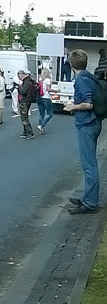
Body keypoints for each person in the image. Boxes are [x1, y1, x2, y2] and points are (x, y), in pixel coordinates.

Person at [64, 50, 102, 214]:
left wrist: (73, 106)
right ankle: (88, 197)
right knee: (89, 164)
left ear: (71, 64)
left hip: (87, 124)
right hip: (93, 123)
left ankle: (90, 203)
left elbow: (88, 104)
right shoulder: (88, 76)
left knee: (89, 166)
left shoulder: (81, 80)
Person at [16, 69, 36, 139]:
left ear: (22, 75)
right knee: (24, 116)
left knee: (24, 117)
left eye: (19, 77)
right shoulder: (28, 81)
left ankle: (30, 133)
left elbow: (24, 91)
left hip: (25, 101)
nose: (19, 78)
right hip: (27, 100)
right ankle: (25, 132)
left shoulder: (27, 82)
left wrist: (18, 88)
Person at [37, 68, 54, 135]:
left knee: (41, 114)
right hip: (46, 98)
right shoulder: (47, 80)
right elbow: (49, 89)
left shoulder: (40, 79)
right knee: (50, 114)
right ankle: (41, 126)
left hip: (40, 98)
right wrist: (56, 91)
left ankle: (41, 128)